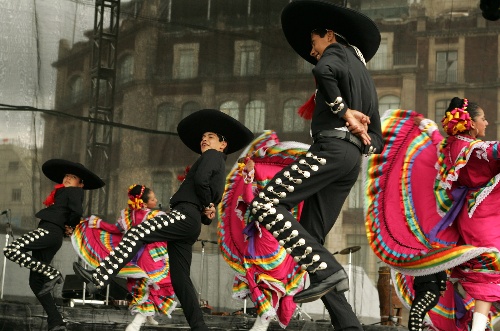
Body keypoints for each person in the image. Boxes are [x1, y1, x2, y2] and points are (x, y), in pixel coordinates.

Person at [247, 1, 384, 330]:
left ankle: (328, 270)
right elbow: (378, 138)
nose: (312, 51)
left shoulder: (336, 53)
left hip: (333, 149)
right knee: (311, 240)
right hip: (350, 161)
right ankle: (347, 323)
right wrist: (363, 138)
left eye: (314, 42)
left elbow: (323, 73)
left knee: (266, 203)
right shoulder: (365, 77)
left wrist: (343, 112)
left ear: (329, 34)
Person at [73, 109, 253, 331]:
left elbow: (200, 182)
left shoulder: (212, 156)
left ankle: (100, 276)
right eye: (203, 137)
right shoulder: (217, 164)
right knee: (180, 280)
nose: (204, 139)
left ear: (223, 144)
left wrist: (206, 204)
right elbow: (207, 207)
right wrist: (207, 207)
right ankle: (200, 327)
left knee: (138, 232)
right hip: (190, 223)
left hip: (184, 216)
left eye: (211, 137)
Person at [364, 99, 500, 331]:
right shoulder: (470, 149)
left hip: (463, 224)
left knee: (480, 276)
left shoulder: (449, 147)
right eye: (483, 118)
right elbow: (491, 153)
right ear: (471, 123)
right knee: (485, 274)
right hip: (480, 221)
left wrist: (423, 128)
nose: (486, 123)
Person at [218, 130, 309, 331]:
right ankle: (264, 318)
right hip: (268, 244)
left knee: (263, 277)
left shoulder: (279, 202)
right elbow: (249, 199)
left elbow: (250, 199)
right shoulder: (279, 202)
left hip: (270, 245)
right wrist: (249, 174)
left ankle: (264, 318)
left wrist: (250, 176)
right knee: (266, 279)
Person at [3, 159, 104, 331]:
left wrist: (70, 225)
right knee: (36, 283)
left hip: (49, 232)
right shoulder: (64, 193)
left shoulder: (74, 191)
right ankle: (56, 321)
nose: (67, 179)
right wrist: (67, 226)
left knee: (11, 249)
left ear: (80, 184)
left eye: (72, 177)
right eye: (66, 176)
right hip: (51, 234)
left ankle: (52, 273)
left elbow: (77, 212)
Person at [71, 184, 176, 331]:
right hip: (150, 258)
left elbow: (116, 229)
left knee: (141, 288)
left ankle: (148, 316)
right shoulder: (154, 215)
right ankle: (135, 324)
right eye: (153, 199)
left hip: (133, 259)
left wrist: (98, 223)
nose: (156, 200)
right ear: (145, 203)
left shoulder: (128, 215)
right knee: (160, 286)